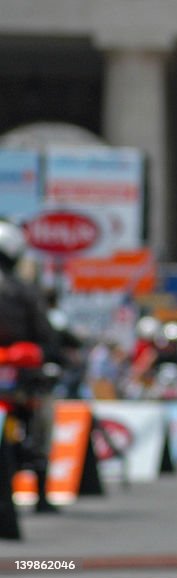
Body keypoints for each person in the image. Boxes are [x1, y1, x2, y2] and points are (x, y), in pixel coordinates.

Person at [0, 220, 63, 514]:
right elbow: (46, 335)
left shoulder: (26, 291)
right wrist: (54, 355)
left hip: (19, 376)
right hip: (24, 377)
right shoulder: (26, 292)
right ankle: (40, 489)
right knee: (42, 420)